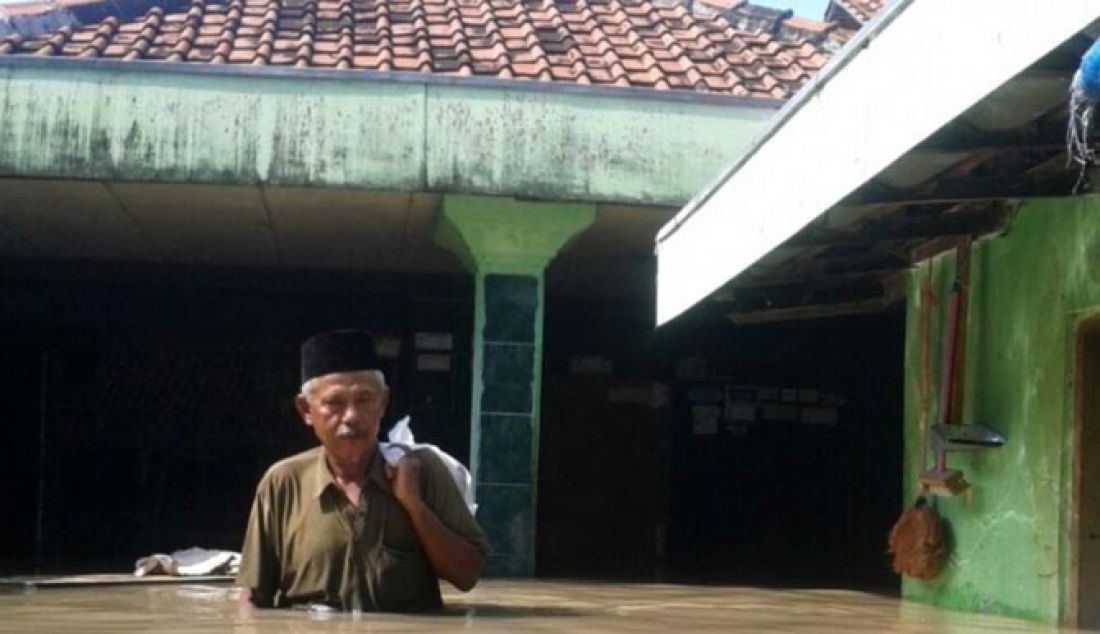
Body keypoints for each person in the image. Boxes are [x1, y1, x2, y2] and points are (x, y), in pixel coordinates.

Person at [236, 329, 488, 612]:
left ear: (383, 402)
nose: (352, 416)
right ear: (306, 410)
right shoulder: (283, 482)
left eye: (365, 400)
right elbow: (252, 598)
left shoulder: (423, 470)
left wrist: (413, 505)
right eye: (334, 403)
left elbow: (467, 576)